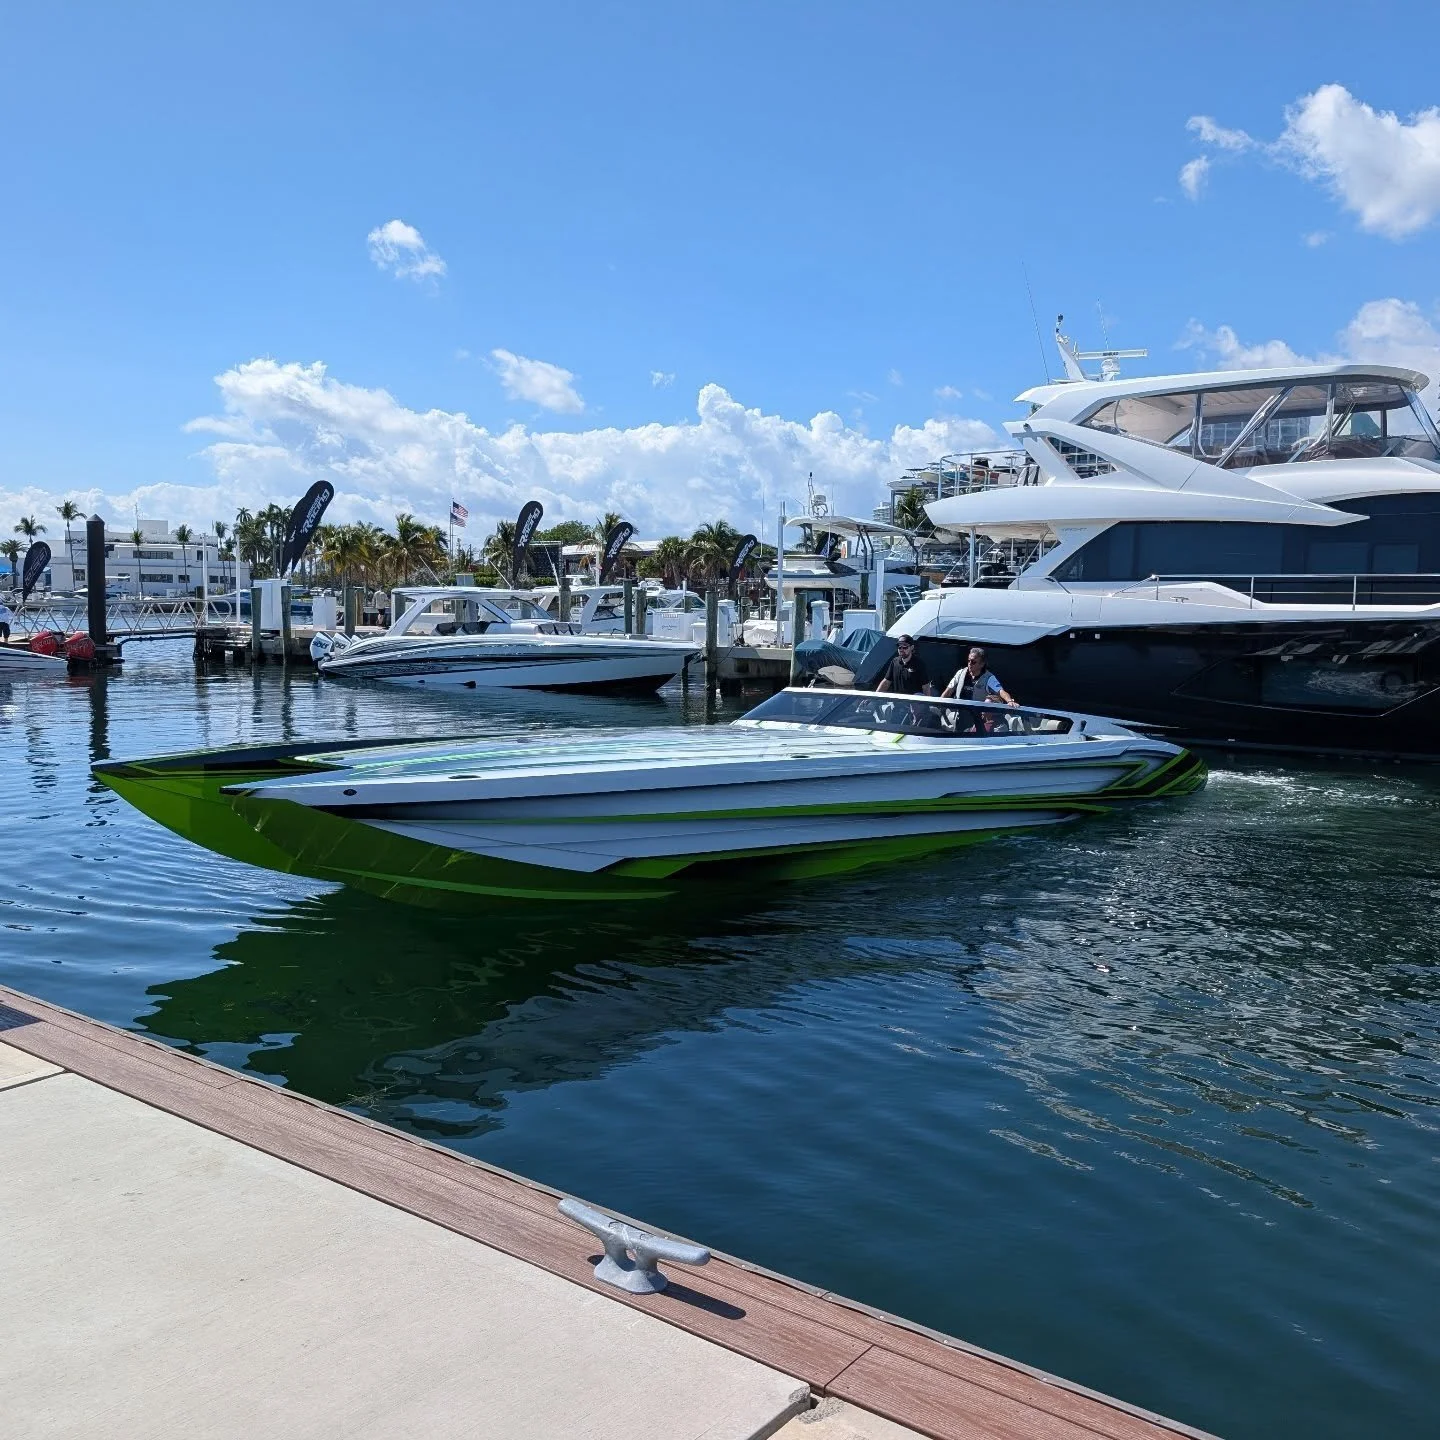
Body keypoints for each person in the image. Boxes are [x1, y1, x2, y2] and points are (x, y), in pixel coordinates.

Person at [941, 646, 1017, 707]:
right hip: (959, 716)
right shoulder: (960, 673)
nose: (970, 664)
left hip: (976, 719)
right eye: (968, 660)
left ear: (982, 664)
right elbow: (948, 691)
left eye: (973, 662)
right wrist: (939, 704)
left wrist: (1009, 701)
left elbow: (1001, 691)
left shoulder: (989, 678)